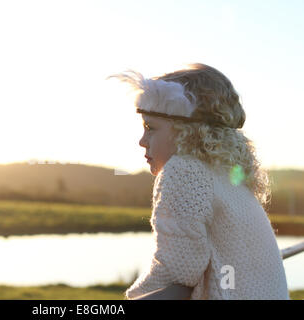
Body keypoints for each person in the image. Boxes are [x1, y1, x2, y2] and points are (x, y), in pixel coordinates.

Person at [106, 63, 290, 300]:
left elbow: (177, 273)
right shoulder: (225, 176)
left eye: (151, 127)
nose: (142, 140)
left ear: (186, 130)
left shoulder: (185, 171)